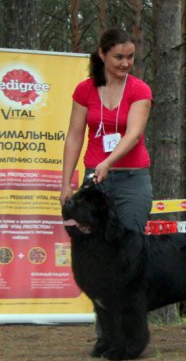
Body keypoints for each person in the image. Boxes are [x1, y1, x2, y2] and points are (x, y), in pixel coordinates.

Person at [60, 27, 153, 233]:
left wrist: (108, 162)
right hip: (96, 180)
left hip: (132, 178)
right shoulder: (84, 90)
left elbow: (134, 134)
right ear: (102, 54)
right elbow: (75, 137)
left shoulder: (140, 89)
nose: (126, 63)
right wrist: (66, 183)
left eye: (130, 57)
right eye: (119, 57)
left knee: (130, 243)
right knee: (94, 244)